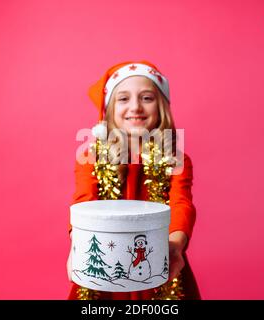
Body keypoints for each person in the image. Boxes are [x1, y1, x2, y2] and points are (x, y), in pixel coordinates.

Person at [66, 60, 201, 299]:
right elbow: (83, 201)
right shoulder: (90, 157)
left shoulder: (175, 159)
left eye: (147, 98)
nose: (136, 107)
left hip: (160, 263)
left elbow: (181, 204)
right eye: (124, 99)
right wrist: (78, 245)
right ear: (109, 109)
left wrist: (174, 246)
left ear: (161, 107)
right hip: (105, 268)